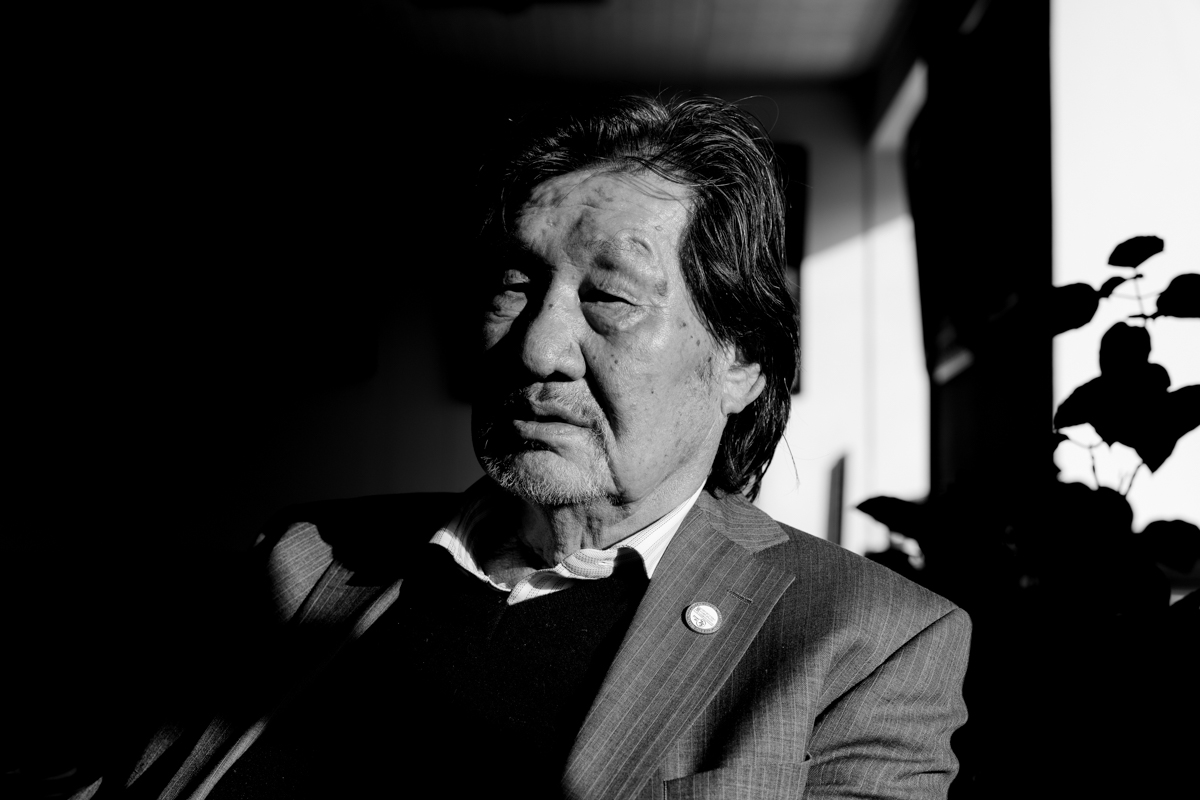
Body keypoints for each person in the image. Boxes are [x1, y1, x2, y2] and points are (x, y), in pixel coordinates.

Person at [72, 94, 970, 800]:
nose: (538, 348)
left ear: (740, 362)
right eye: (516, 284)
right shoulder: (308, 558)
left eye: (609, 298)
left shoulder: (865, 641)